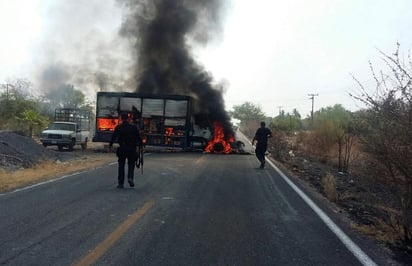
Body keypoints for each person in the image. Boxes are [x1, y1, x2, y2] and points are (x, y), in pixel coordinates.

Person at [109, 113, 142, 188]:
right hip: (131, 149)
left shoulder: (118, 127)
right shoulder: (134, 127)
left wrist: (110, 146)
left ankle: (121, 183)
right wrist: (140, 146)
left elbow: (113, 137)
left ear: (121, 119)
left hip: (122, 149)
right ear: (128, 119)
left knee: (121, 166)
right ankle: (130, 178)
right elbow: (139, 138)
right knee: (131, 165)